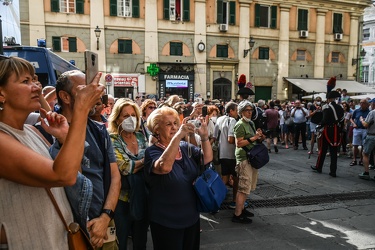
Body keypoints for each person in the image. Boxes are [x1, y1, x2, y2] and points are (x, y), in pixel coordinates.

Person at [0, 55, 105, 249]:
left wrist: (65, 138)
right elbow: (62, 175)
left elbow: (74, 175)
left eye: (34, 79)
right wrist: (81, 109)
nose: (37, 87)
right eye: (25, 81)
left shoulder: (31, 131)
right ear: (1, 94)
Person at [54, 70, 121, 249]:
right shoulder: (49, 129)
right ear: (65, 97)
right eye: (84, 89)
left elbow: (115, 176)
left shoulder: (99, 131)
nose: (93, 93)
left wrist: (105, 217)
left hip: (103, 223)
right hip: (69, 228)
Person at [144, 107, 212, 250]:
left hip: (191, 217)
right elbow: (164, 167)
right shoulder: (152, 152)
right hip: (166, 221)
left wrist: (205, 137)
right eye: (168, 124)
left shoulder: (185, 147)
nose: (174, 127)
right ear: (156, 129)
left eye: (176, 123)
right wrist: (178, 136)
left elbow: (207, 158)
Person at [108, 99, 149, 250]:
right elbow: (125, 167)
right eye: (125, 116)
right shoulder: (112, 139)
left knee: (141, 240)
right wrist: (145, 161)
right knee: (121, 240)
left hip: (142, 196)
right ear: (117, 118)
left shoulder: (140, 136)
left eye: (133, 115)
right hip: (122, 200)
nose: (130, 119)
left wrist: (137, 164)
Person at [233, 100, 265, 224]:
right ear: (241, 112)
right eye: (247, 110)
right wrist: (254, 138)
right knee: (243, 188)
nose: (250, 112)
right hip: (244, 159)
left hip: (252, 158)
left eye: (251, 110)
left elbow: (255, 139)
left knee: (247, 187)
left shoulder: (250, 123)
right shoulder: (240, 124)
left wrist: (260, 136)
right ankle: (237, 215)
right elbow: (239, 143)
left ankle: (242, 209)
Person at [213, 101, 243, 209]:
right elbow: (230, 139)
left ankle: (216, 200)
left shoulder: (219, 119)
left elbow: (214, 137)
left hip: (221, 153)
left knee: (224, 179)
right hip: (231, 154)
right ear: (231, 111)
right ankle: (235, 201)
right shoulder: (233, 120)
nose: (238, 113)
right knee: (236, 179)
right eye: (237, 110)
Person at [311, 91, 344, 177]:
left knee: (323, 150)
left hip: (328, 130)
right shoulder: (340, 107)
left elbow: (324, 120)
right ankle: (333, 171)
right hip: (337, 130)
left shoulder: (326, 107)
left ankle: (319, 167)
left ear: (328, 98)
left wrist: (319, 125)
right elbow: (342, 120)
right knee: (334, 151)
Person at [358, 98, 375, 180]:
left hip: (371, 135)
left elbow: (365, 125)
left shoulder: (372, 112)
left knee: (365, 154)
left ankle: (366, 172)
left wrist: (362, 120)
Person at [350, 99, 370, 166]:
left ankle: (361, 160)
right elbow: (351, 118)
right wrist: (353, 124)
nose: (361, 104)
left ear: (367, 104)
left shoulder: (369, 112)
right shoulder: (356, 111)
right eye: (360, 103)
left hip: (365, 129)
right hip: (357, 129)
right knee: (355, 145)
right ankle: (354, 159)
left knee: (363, 145)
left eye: (363, 103)